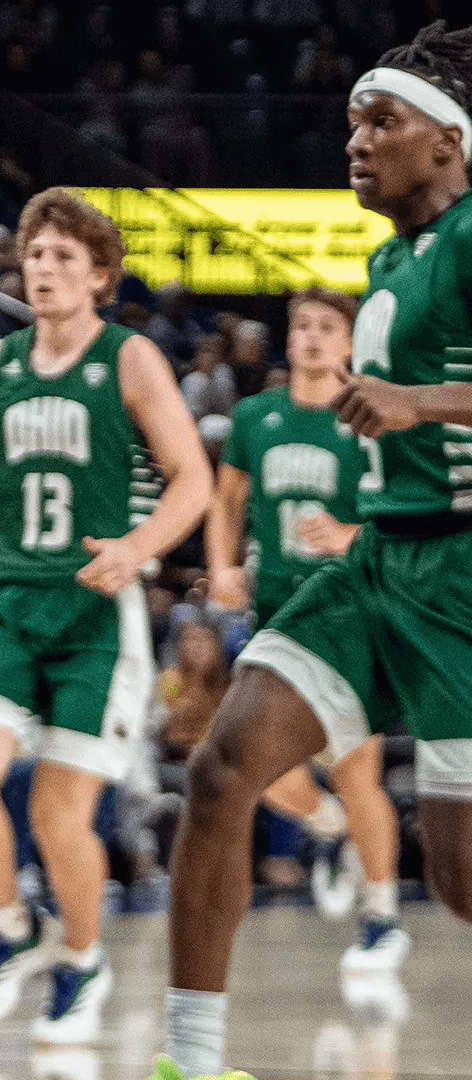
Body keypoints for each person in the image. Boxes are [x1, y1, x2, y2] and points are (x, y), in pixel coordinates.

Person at [160, 26, 472, 1079]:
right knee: (220, 770)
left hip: (464, 578)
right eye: (351, 121)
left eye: (381, 120)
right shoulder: (390, 258)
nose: (357, 140)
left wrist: (417, 400)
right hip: (379, 565)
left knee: (464, 878)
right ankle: (190, 1062)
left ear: (450, 142)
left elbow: (425, 401)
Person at [0, 187, 211, 1043]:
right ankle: (9, 929)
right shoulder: (3, 363)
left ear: (100, 276)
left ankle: (82, 959)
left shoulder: (132, 359)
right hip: (12, 602)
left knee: (58, 816)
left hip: (98, 615)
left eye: (64, 257)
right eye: (34, 255)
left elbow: (195, 481)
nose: (43, 269)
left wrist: (138, 549)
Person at [201, 287, 407, 958]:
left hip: (352, 616)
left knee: (356, 768)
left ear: (348, 343)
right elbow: (225, 499)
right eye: (303, 327)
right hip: (276, 614)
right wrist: (223, 567)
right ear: (289, 341)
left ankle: (381, 916)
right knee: (247, 762)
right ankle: (331, 828)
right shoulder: (256, 415)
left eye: (326, 327)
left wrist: (351, 534)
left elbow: (408, 513)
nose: (312, 337)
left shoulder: (368, 417)